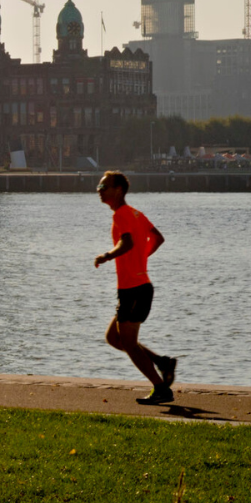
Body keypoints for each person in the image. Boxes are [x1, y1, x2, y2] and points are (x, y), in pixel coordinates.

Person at [93, 170, 178, 405]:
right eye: (99, 187)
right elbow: (158, 238)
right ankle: (162, 362)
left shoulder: (121, 215)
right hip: (137, 286)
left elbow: (127, 241)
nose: (99, 191)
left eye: (103, 187)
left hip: (134, 289)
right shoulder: (136, 214)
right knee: (114, 337)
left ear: (118, 190)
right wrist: (142, 258)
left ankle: (161, 388)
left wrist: (107, 256)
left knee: (128, 343)